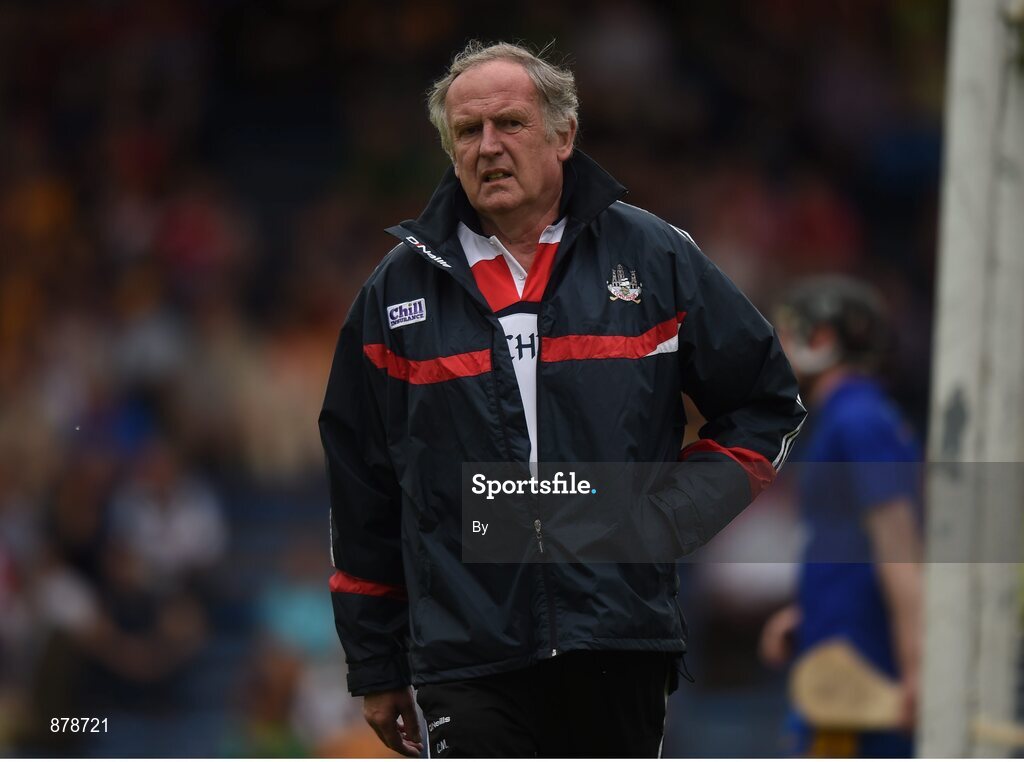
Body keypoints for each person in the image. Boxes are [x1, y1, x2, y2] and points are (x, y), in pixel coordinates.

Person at [320, 40, 806, 758]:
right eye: (467, 131)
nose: (488, 147)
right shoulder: (394, 293)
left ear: (563, 134)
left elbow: (766, 405)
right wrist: (376, 663)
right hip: (466, 654)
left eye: (510, 124)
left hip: (617, 638)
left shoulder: (655, 257)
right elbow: (362, 489)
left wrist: (668, 518)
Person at [759, 276, 923, 757]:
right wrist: (809, 616)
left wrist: (917, 667)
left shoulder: (859, 420)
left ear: (823, 338)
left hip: (862, 672)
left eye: (788, 333)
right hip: (842, 652)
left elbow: (899, 547)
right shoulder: (848, 418)